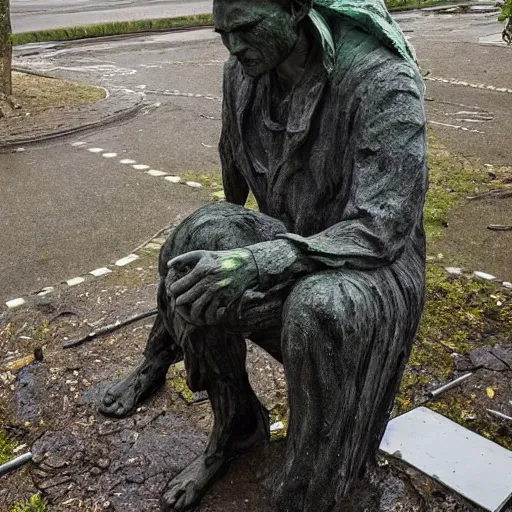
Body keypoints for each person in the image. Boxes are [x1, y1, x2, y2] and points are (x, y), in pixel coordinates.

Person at [100, 0, 428, 510]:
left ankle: (307, 489)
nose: (234, 46)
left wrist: (256, 262)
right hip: (291, 237)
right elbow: (230, 184)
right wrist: (193, 271)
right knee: (197, 244)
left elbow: (381, 227)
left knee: (318, 309)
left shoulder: (383, 81)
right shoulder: (243, 74)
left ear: (296, 7)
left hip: (373, 265)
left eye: (247, 28)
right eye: (222, 33)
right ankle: (236, 425)